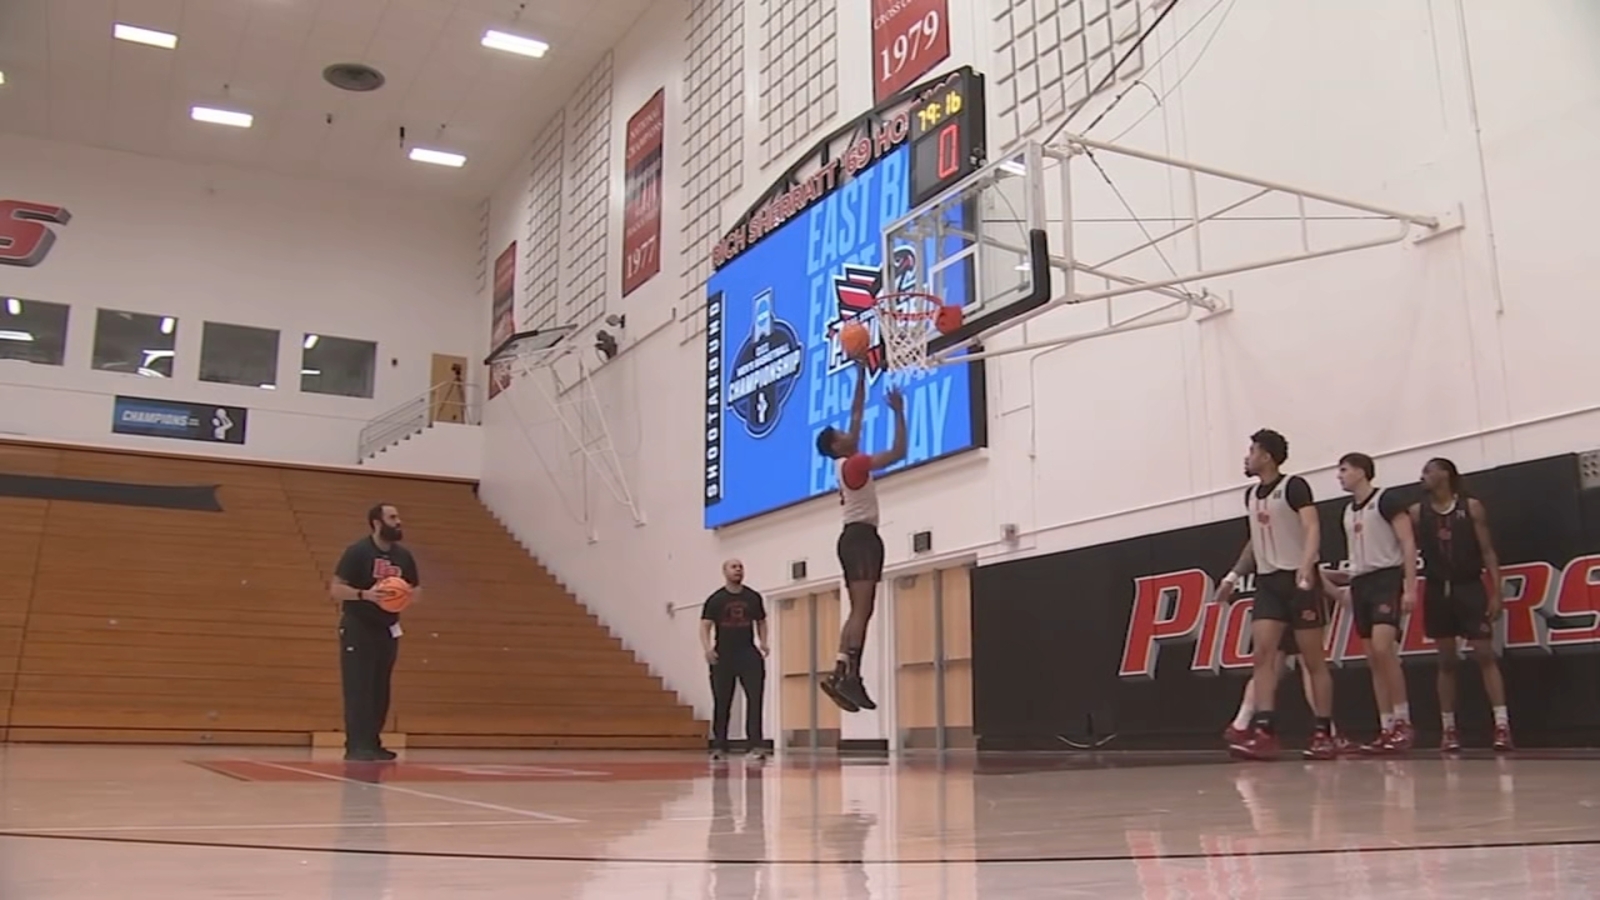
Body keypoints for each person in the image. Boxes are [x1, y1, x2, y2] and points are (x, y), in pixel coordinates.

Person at [1214, 429, 1335, 760]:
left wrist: (1306, 566)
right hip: (1268, 582)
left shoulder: (1294, 487)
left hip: (1298, 578)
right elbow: (1255, 540)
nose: (1247, 456)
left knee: (1313, 661)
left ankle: (1324, 732)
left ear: (1266, 456)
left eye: (1252, 450)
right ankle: (1265, 731)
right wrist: (1233, 575)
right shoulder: (1251, 496)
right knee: (1263, 656)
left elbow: (1311, 527)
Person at [813, 359, 906, 712]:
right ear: (838, 446)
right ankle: (848, 674)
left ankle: (842, 670)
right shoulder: (854, 462)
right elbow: (898, 452)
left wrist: (858, 372)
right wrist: (899, 412)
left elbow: (856, 411)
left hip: (851, 538)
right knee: (862, 611)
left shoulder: (845, 459)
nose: (851, 432)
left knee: (858, 611)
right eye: (843, 435)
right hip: (862, 539)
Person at [1413, 457, 1513, 752]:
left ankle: (1502, 724)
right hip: (1436, 589)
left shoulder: (1471, 507)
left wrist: (1496, 592)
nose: (1423, 476)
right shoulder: (1418, 513)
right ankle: (1448, 728)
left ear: (1445, 474)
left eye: (1428, 470)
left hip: (1469, 586)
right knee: (1446, 661)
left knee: (1484, 653)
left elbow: (1488, 552)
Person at [1321, 452, 1417, 754]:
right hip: (1360, 582)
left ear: (1361, 472)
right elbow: (1359, 556)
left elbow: (1407, 542)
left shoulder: (1386, 500)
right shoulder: (1347, 512)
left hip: (1386, 579)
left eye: (1344, 470)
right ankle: (1386, 725)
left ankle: (1404, 721)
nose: (1339, 476)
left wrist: (1410, 587)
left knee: (1383, 647)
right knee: (1373, 658)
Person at [328, 503, 420, 762]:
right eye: (392, 517)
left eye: (398, 516)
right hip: (358, 626)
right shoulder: (358, 552)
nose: (398, 521)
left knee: (380, 688)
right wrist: (365, 595)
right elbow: (336, 589)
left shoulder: (404, 557)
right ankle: (356, 745)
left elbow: (417, 590)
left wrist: (403, 596)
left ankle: (373, 741)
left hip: (387, 628)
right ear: (377, 522)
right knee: (359, 686)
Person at [700, 558, 770, 761]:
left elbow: (761, 621)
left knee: (755, 699)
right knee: (722, 701)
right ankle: (719, 746)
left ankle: (756, 745)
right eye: (734, 567)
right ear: (725, 572)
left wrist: (763, 642)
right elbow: (705, 625)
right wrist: (707, 649)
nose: (738, 570)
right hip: (724, 654)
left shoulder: (753, 597)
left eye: (740, 567)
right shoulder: (716, 599)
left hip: (748, 653)